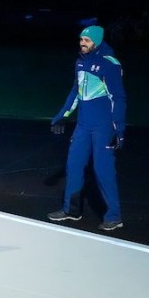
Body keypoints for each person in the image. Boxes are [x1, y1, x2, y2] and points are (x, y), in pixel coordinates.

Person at [48, 25, 126, 231]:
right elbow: (75, 92)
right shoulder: (80, 63)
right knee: (73, 166)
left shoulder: (110, 64)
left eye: (87, 41)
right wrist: (61, 116)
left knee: (103, 170)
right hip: (83, 125)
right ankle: (71, 210)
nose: (83, 43)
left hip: (103, 127)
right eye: (81, 39)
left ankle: (114, 216)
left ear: (97, 42)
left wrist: (119, 130)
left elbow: (117, 98)